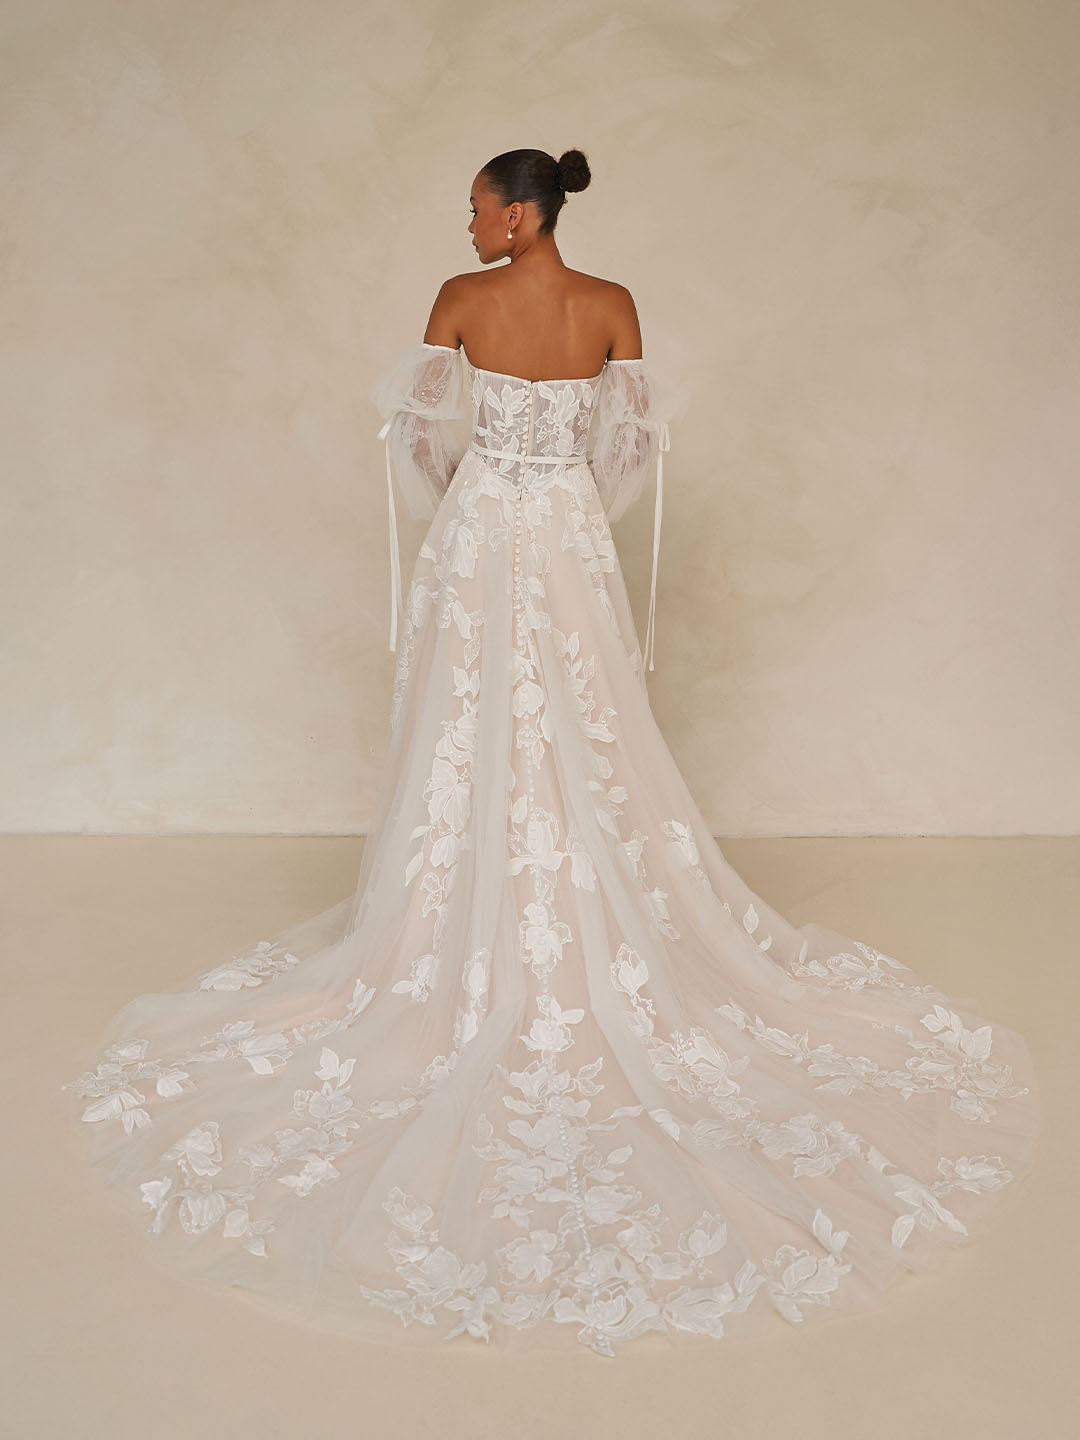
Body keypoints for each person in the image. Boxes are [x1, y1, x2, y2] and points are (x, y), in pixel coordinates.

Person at [61, 147, 1043, 1358]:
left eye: (479, 208)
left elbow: (417, 442)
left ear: (521, 214)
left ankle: (461, 921)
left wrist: (478, 497)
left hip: (483, 529)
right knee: (582, 718)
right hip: (568, 529)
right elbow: (631, 452)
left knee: (473, 717)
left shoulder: (462, 300)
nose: (468, 225)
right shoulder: (613, 303)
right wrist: (566, 502)